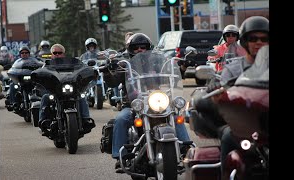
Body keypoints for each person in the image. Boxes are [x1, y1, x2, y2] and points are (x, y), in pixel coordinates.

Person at [102, 33, 191, 172]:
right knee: (121, 119)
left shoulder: (156, 62)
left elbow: (172, 75)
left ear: (148, 48)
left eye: (142, 47)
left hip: (156, 100)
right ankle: (121, 157)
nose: (139, 50)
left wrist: (182, 66)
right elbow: (113, 81)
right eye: (136, 47)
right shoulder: (124, 64)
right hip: (134, 104)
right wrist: (107, 71)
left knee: (175, 115)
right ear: (130, 49)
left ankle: (186, 147)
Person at [196, 16, 269, 177]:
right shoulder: (233, 68)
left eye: (264, 39)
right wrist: (215, 89)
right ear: (244, 42)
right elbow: (217, 89)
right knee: (229, 136)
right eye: (253, 38)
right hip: (244, 122)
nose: (259, 42)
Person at [38, 43, 95, 135]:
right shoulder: (47, 64)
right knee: (45, 97)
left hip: (71, 89)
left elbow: (82, 68)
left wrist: (88, 71)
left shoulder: (72, 62)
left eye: (59, 52)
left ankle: (85, 119)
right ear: (52, 54)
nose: (57, 55)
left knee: (81, 97)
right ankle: (43, 122)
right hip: (55, 91)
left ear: (63, 53)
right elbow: (41, 72)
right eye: (55, 53)